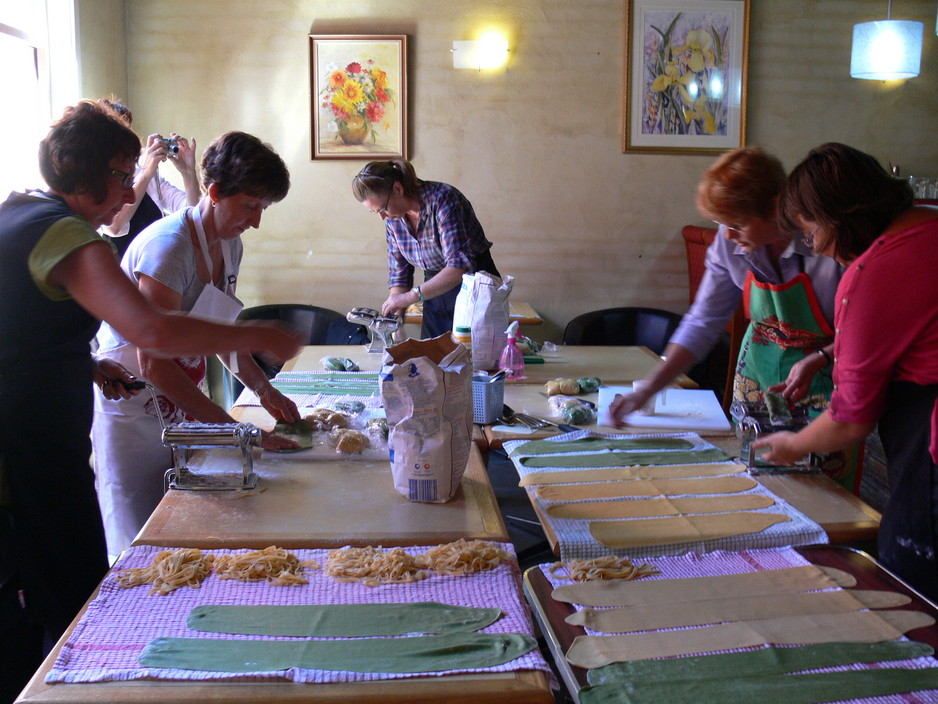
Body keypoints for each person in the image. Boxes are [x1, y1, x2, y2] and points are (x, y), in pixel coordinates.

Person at [0, 101, 300, 703]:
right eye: (123, 173)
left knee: (41, 585)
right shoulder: (68, 232)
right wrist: (259, 338)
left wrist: (83, 360)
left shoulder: (20, 213)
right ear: (85, 172)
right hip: (29, 447)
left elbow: (16, 320)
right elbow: (153, 335)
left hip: (37, 434)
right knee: (76, 584)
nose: (130, 192)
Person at [92, 131, 300, 558]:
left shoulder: (230, 245)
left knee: (190, 526)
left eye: (263, 208)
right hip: (133, 408)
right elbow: (154, 364)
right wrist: (234, 428)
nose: (257, 220)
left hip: (182, 400)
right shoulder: (169, 248)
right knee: (141, 540)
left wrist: (264, 390)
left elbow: (219, 328)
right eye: (250, 206)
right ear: (216, 192)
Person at [609, 147, 858, 490]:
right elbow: (702, 321)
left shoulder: (826, 247)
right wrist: (650, 387)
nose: (725, 235)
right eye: (720, 223)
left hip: (827, 383)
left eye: (737, 223)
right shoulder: (730, 245)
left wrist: (822, 356)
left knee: (822, 493)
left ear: (775, 208)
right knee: (755, 484)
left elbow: (864, 331)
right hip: (758, 379)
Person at [754, 142, 938, 600]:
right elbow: (910, 326)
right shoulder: (928, 228)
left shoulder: (873, 272)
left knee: (910, 579)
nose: (812, 246)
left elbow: (851, 418)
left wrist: (791, 444)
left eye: (810, 231)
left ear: (838, 216)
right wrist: (826, 355)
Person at [352, 158, 499, 338]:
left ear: (398, 189)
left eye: (382, 209)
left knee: (477, 358)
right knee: (433, 356)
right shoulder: (394, 218)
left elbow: (458, 266)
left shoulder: (443, 199)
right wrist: (395, 322)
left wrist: (409, 297)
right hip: (434, 290)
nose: (382, 217)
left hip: (475, 285)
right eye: (375, 212)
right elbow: (400, 274)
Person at [99, 98, 200, 259]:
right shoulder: (96, 178)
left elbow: (194, 213)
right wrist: (146, 172)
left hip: (153, 268)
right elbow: (114, 227)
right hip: (119, 274)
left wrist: (188, 172)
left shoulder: (146, 175)